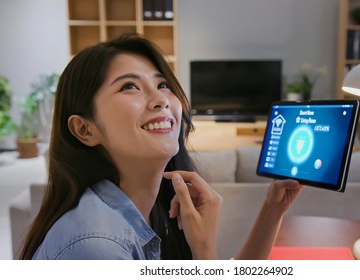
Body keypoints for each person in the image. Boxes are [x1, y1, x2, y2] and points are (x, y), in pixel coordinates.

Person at [19, 32, 303, 260]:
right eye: (129, 86)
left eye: (163, 85)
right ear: (85, 129)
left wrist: (271, 209)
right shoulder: (97, 248)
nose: (161, 99)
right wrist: (204, 252)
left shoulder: (151, 210)